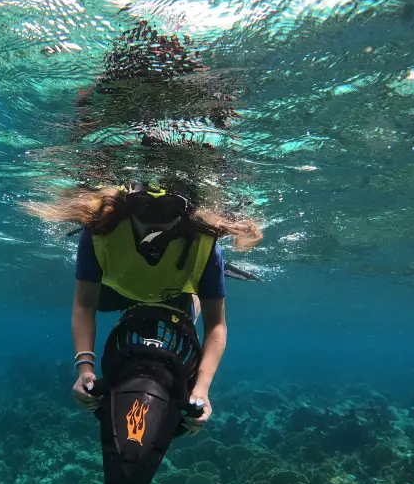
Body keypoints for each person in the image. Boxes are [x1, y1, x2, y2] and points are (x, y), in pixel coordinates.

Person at [24, 181, 262, 435]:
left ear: (184, 212)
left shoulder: (205, 244)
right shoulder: (100, 228)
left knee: (185, 317)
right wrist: (85, 368)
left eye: (169, 208)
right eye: (144, 207)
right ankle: (192, 281)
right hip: (117, 289)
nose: (154, 222)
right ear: (128, 206)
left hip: (175, 293)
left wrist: (202, 389)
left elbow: (216, 325)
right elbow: (84, 306)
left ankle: (204, 281)